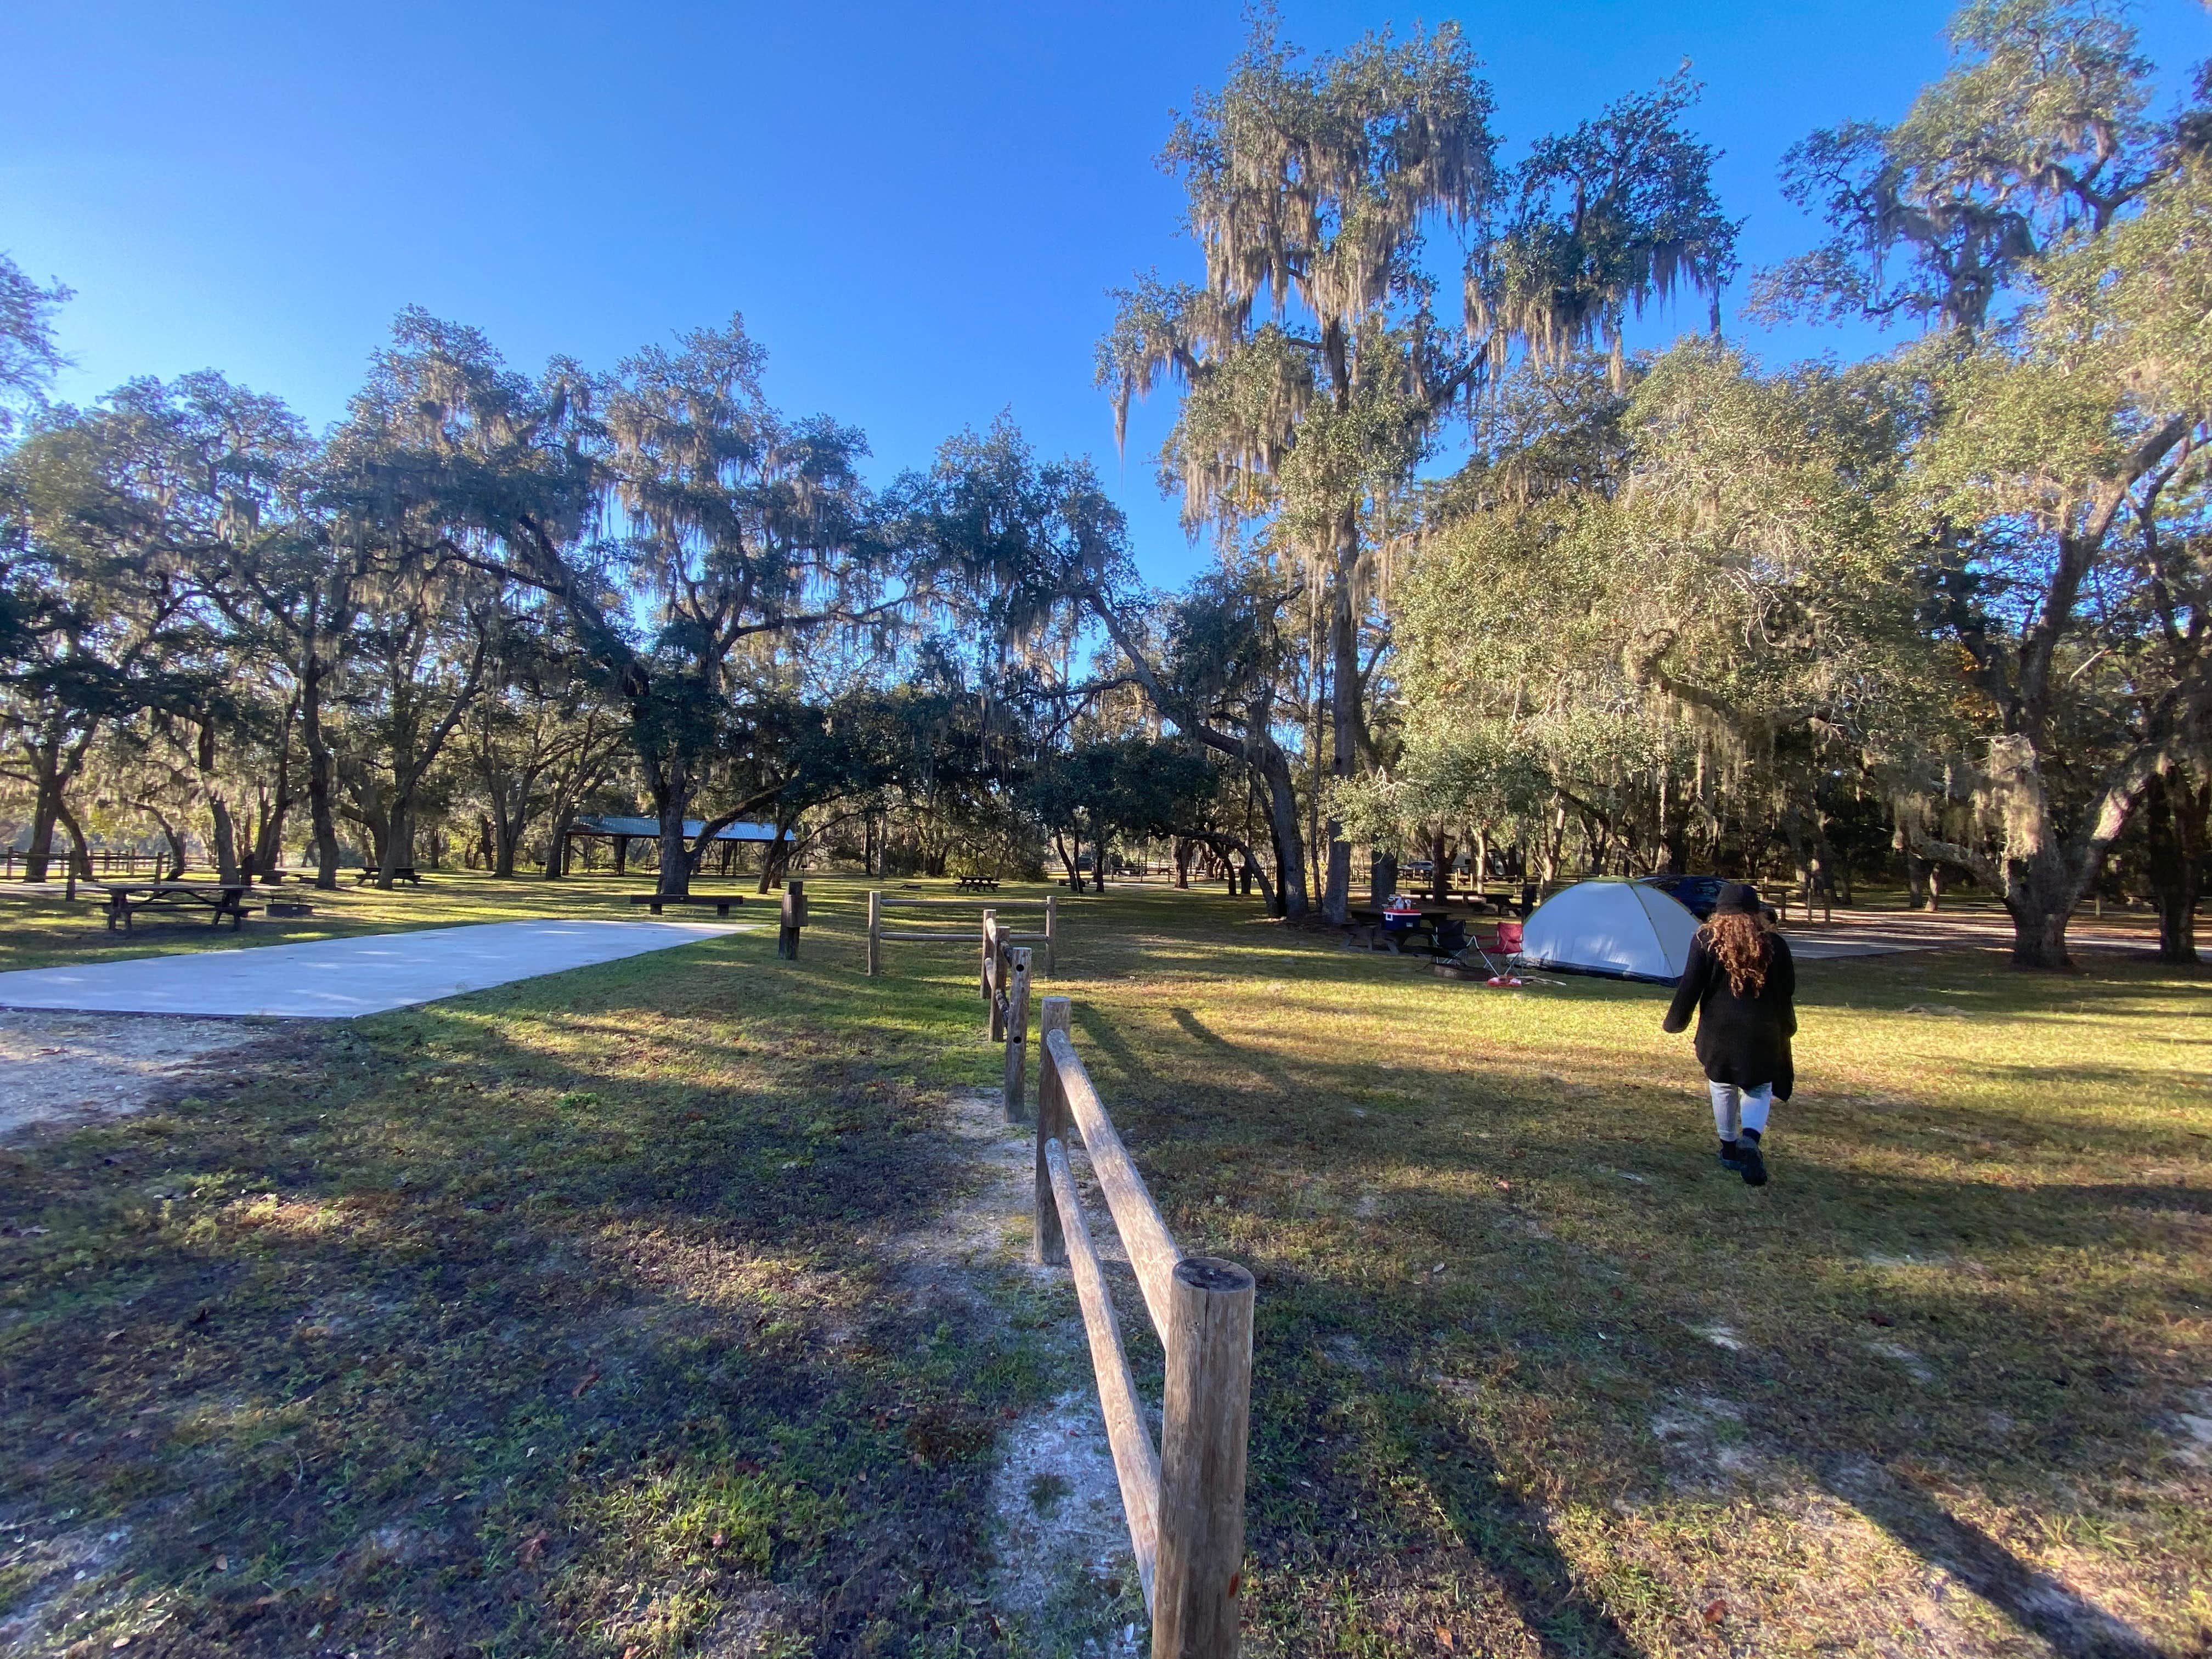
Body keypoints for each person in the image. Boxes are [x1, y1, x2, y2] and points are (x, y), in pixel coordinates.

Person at [1662, 882, 1796, 1187]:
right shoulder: (1775, 944)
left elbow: (1690, 987)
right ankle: (1751, 1138)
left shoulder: (1705, 940)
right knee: (1758, 1088)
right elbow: (1787, 989)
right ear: (1756, 911)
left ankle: (1730, 1148)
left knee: (1722, 1086)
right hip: (1764, 1031)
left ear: (1719, 911)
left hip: (1719, 1032)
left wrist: (1675, 1021)